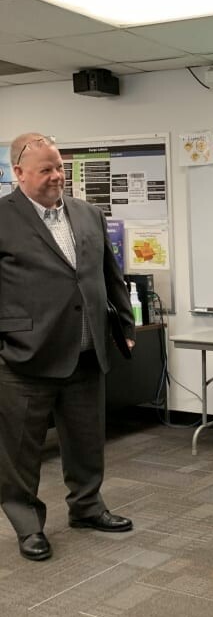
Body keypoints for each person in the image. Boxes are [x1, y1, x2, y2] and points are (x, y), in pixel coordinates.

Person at [0, 133, 136, 562]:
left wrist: (124, 325)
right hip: (24, 357)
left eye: (60, 167)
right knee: (21, 451)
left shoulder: (87, 213)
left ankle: (88, 507)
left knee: (86, 440)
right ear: (18, 173)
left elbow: (109, 275)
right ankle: (28, 526)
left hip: (84, 351)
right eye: (46, 169)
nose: (57, 176)